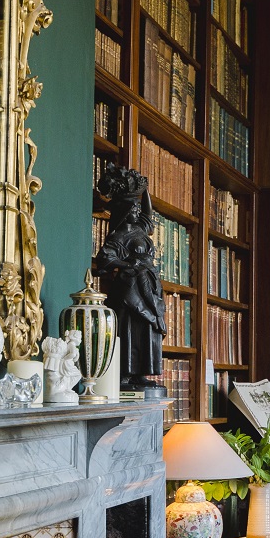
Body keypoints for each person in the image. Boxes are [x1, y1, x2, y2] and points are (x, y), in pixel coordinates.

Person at [93, 165, 165, 396]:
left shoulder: (141, 229)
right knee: (129, 329)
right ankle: (125, 372)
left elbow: (148, 213)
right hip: (129, 289)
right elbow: (104, 260)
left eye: (137, 207)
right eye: (133, 207)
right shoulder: (119, 235)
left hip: (149, 285)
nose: (137, 210)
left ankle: (140, 373)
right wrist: (128, 265)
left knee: (147, 329)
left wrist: (143, 191)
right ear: (124, 210)